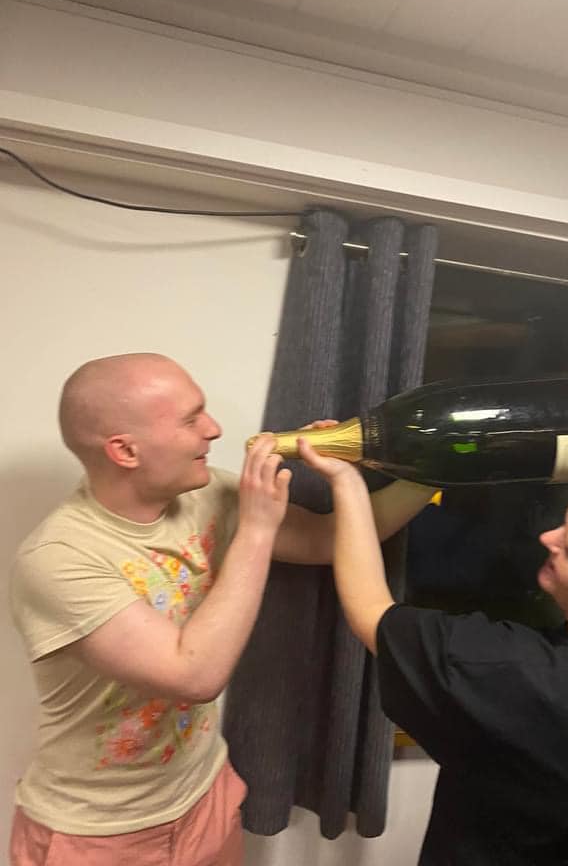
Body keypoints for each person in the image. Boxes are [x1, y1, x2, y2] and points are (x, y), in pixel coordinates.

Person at [9, 353, 433, 866]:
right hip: (98, 835)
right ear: (125, 450)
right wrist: (255, 529)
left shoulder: (207, 493)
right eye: (191, 419)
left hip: (204, 798)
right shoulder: (59, 558)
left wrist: (430, 474)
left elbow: (326, 540)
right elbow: (194, 675)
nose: (213, 429)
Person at [299, 411, 568, 865]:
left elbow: (370, 610)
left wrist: (345, 482)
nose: (548, 536)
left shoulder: (515, 678)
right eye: (566, 521)